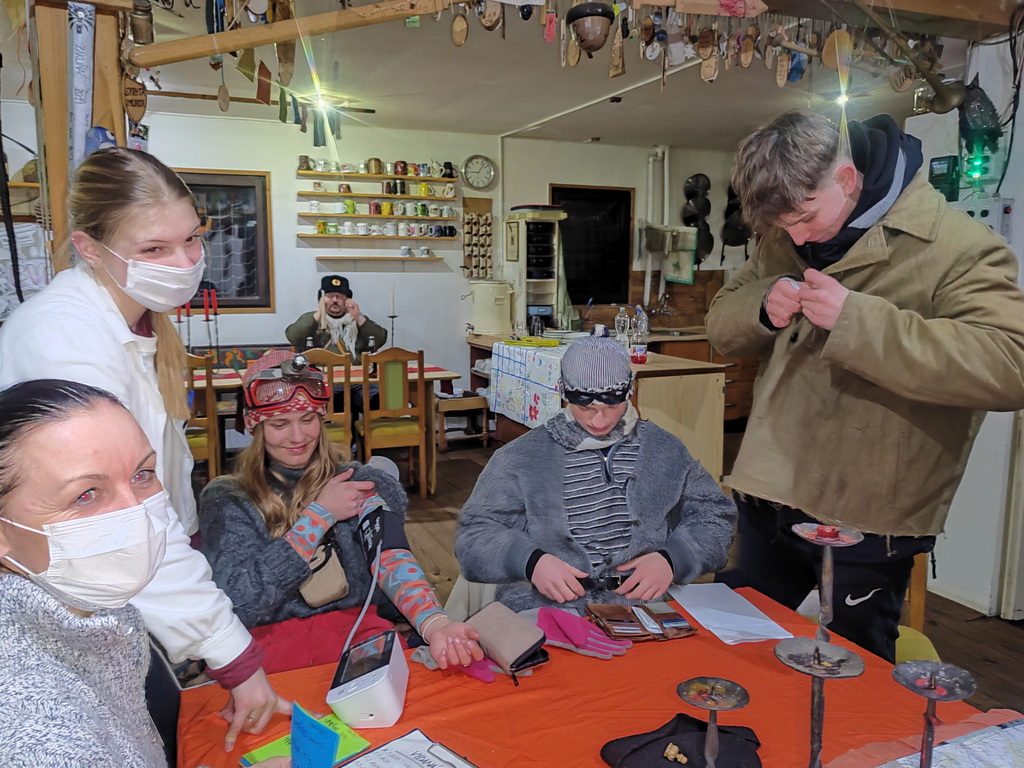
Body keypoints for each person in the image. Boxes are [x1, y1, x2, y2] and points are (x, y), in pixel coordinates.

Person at [705, 111, 1024, 662]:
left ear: (847, 178)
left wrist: (857, 321)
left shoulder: (960, 246)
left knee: (853, 668)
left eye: (805, 217)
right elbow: (719, 324)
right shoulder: (784, 234)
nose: (796, 236)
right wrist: (761, 303)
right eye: (782, 225)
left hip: (870, 507)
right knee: (733, 644)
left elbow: (1010, 364)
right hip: (771, 485)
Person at [0, 147, 284, 748]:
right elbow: (120, 519)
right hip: (75, 592)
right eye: (154, 249)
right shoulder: (64, 338)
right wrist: (233, 656)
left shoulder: (138, 318)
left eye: (192, 239)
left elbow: (151, 481)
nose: (183, 263)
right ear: (90, 247)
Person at [0, 379, 287, 768]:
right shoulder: (39, 737)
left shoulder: (96, 607)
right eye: (85, 495)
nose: (137, 515)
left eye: (142, 474)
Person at [199, 350, 482, 673]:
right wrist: (319, 517)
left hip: (358, 642)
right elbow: (239, 602)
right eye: (279, 424)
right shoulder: (228, 499)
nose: (298, 437)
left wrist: (434, 623)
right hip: (268, 658)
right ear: (256, 426)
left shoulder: (359, 481)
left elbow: (390, 557)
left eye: (308, 420)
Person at [455, 331, 736, 612]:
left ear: (629, 391)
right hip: (542, 607)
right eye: (584, 406)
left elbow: (714, 515)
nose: (599, 421)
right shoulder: (522, 457)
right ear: (564, 393)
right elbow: (474, 535)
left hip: (640, 607)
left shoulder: (664, 449)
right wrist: (530, 562)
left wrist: (673, 559)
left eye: (611, 405)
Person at [285, 275, 388, 361]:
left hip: (355, 373)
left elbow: (380, 339)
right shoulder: (312, 319)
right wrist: (319, 313)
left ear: (347, 300)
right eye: (330, 296)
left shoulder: (356, 320)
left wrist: (359, 318)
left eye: (339, 296)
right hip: (322, 373)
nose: (334, 300)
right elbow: (293, 336)